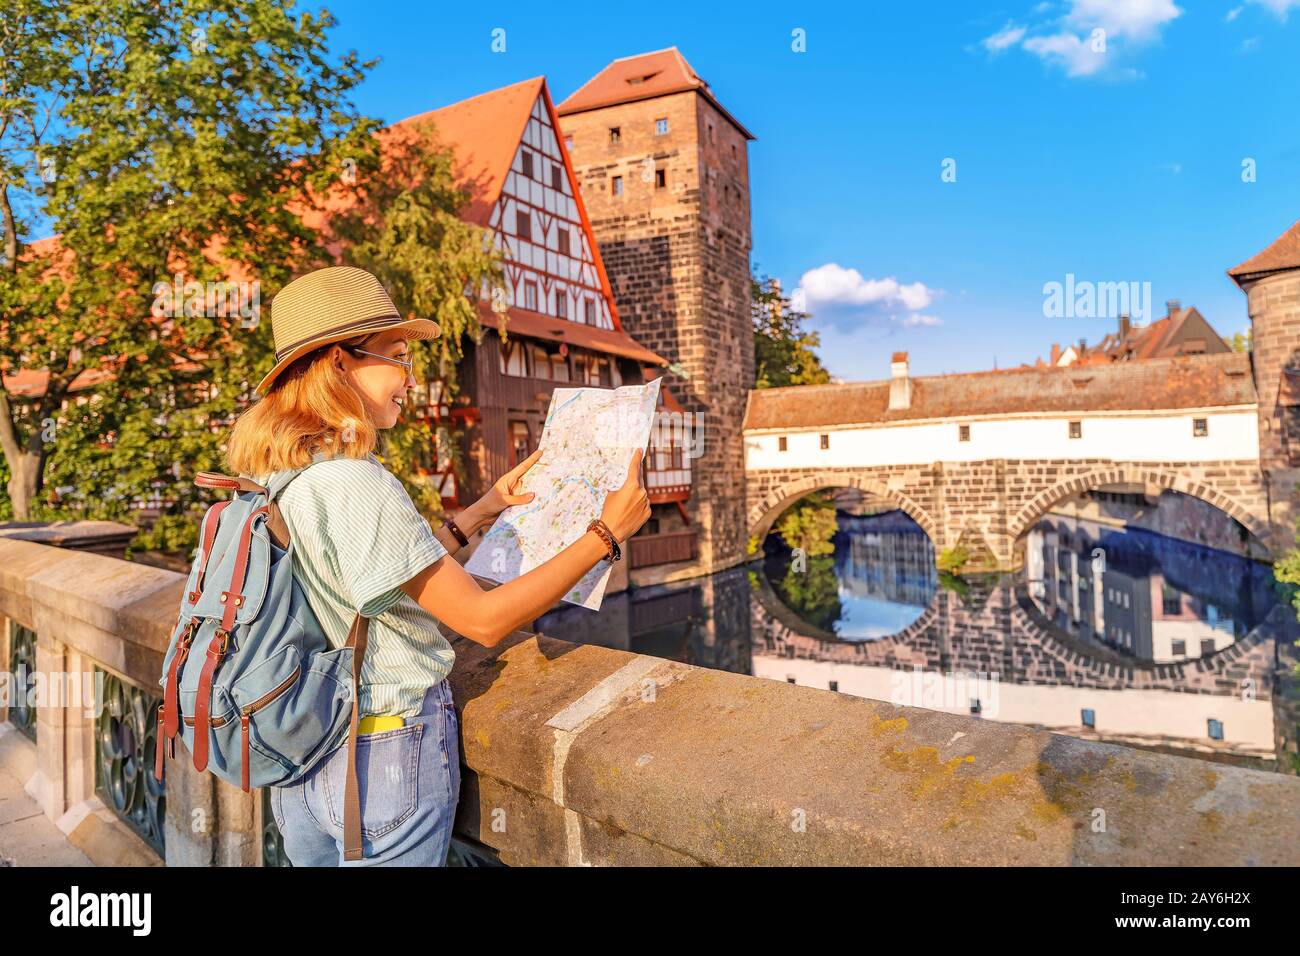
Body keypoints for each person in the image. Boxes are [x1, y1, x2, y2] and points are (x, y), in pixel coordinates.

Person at [223, 265, 650, 866]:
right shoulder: (355, 481)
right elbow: (481, 619)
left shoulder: (282, 477)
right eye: (397, 358)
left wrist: (483, 509)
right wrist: (605, 533)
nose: (409, 379)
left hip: (305, 752)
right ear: (340, 363)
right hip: (382, 755)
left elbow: (374, 575)